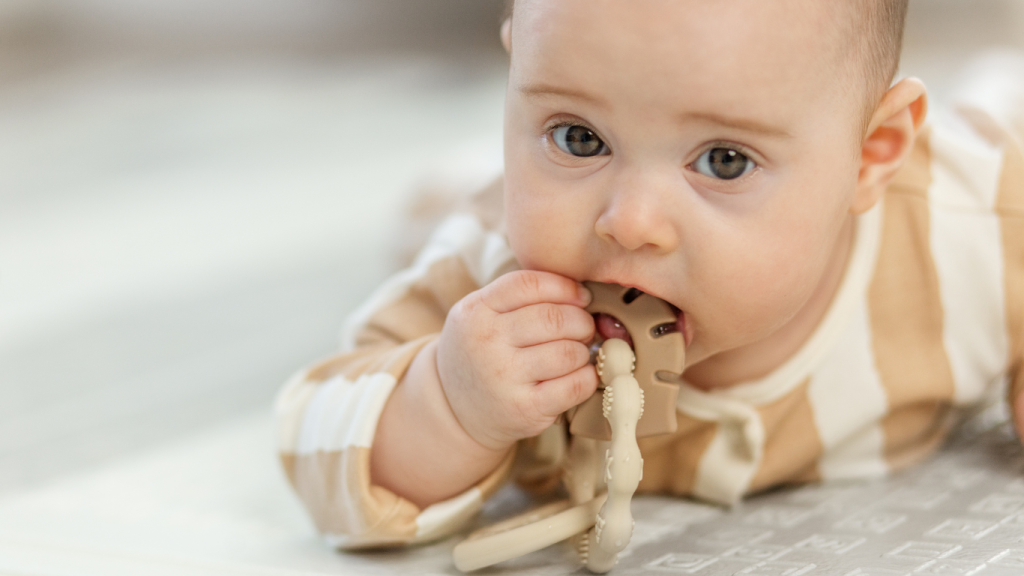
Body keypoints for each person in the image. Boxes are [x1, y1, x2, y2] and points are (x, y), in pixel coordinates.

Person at [274, 0, 1024, 549]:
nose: (628, 223)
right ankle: (450, 180)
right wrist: (450, 400)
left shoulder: (973, 230)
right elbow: (316, 432)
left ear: (871, 157)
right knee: (433, 212)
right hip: (468, 205)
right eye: (577, 136)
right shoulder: (491, 274)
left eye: (723, 160)